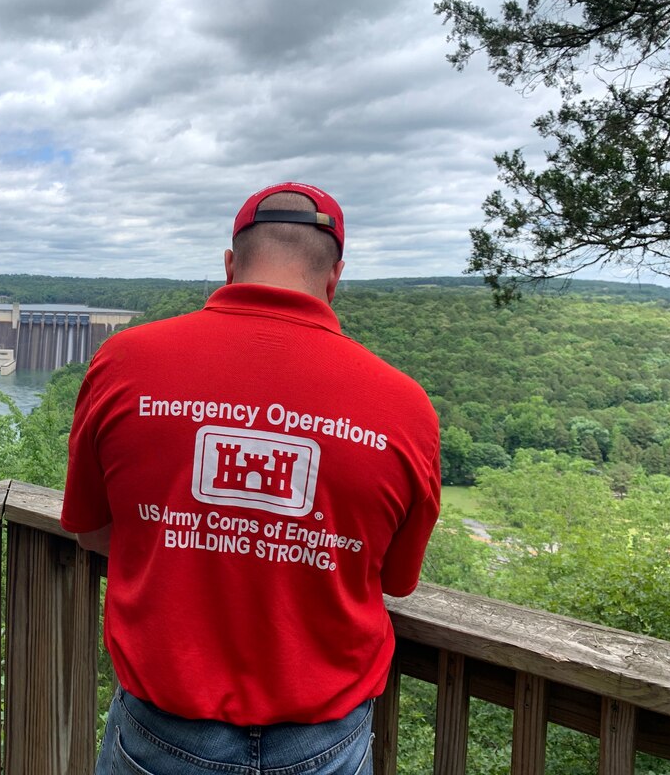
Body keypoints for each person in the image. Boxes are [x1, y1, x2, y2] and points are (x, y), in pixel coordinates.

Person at [60, 182, 441, 775]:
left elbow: (91, 531)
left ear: (231, 264)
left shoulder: (125, 362)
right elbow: (395, 578)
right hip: (326, 746)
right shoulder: (404, 406)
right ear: (336, 276)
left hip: (160, 735)